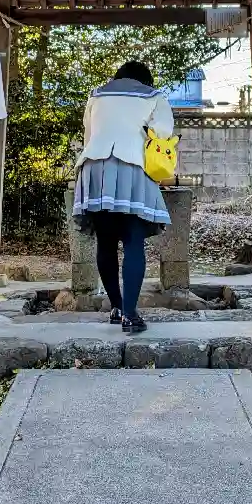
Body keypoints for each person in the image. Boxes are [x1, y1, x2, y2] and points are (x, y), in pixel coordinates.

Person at [72, 60, 175, 333]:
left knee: (105, 242)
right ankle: (130, 314)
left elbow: (89, 135)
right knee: (133, 240)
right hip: (133, 166)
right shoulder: (154, 97)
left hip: (94, 168)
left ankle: (117, 308)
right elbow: (163, 133)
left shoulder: (96, 95)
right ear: (145, 80)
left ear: (118, 77)